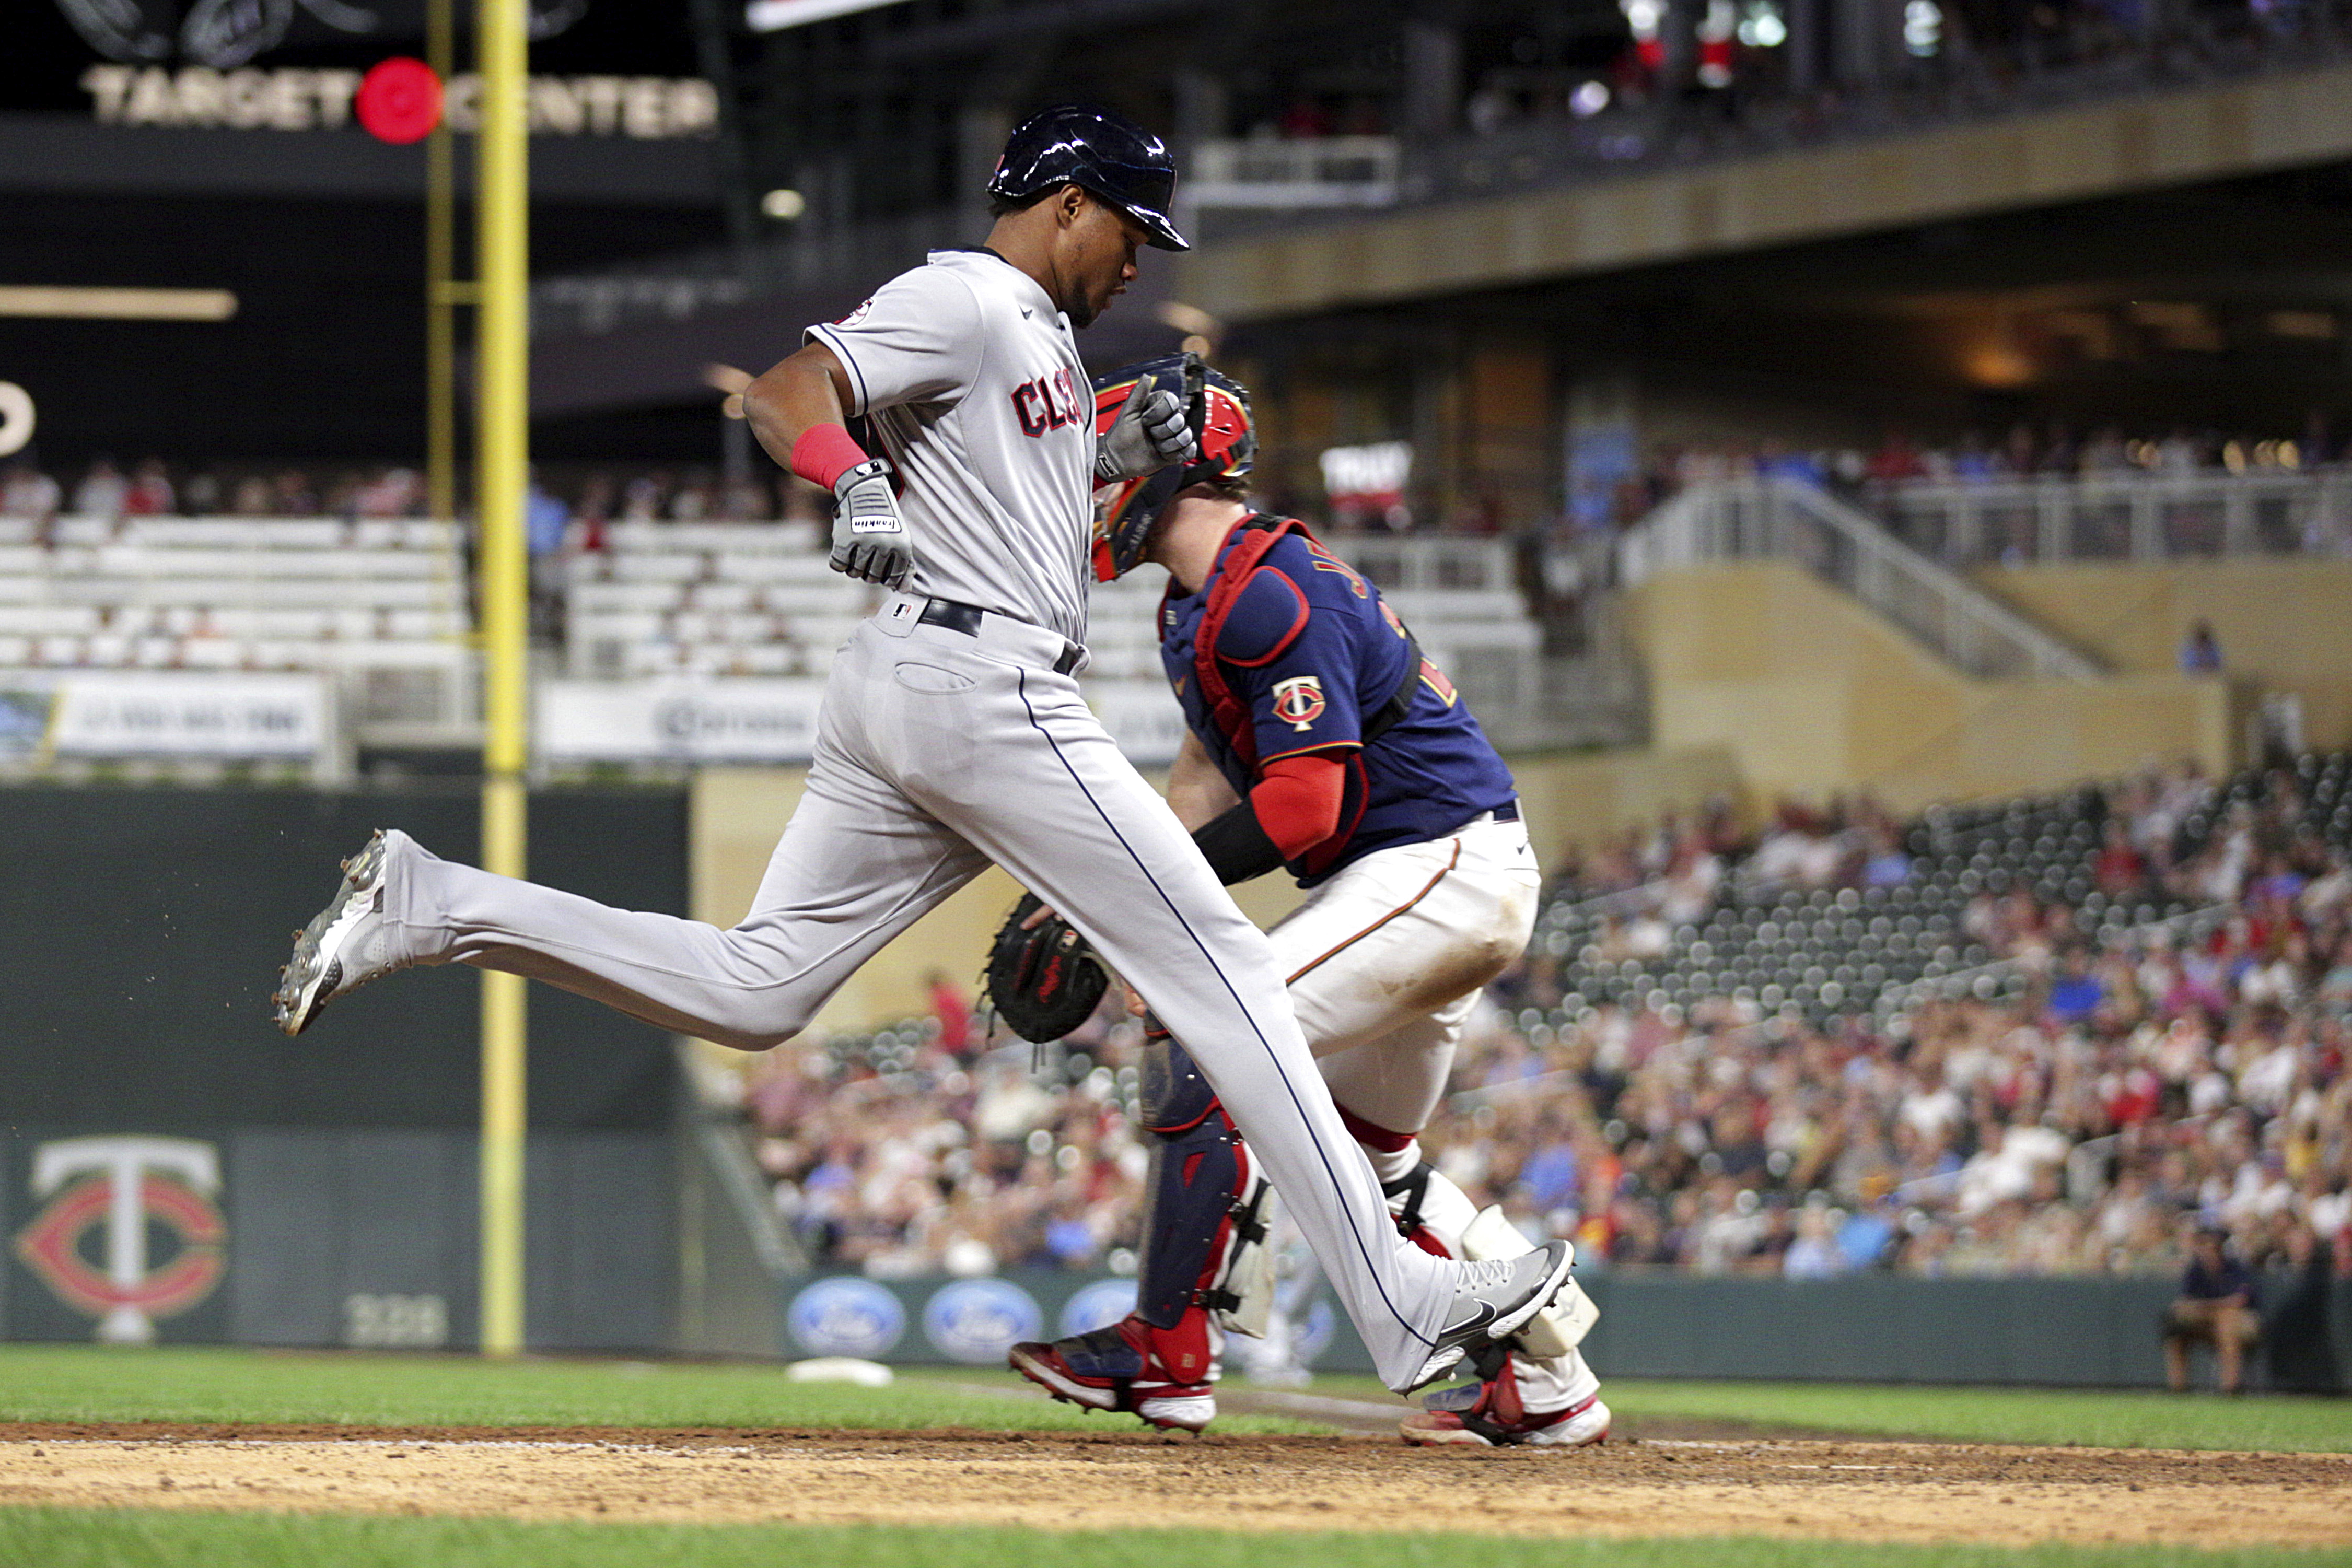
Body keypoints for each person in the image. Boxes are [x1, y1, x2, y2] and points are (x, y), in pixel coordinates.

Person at [268, 103, 1571, 1399]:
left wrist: (1117, 451)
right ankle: (1402, 1304)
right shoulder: (970, 297)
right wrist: (848, 473)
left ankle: (434, 903)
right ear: (1065, 201)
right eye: (1128, 228)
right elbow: (790, 392)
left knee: (757, 986)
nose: (1139, 261)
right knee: (1227, 974)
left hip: (917, 678)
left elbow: (1025, 501)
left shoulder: (1042, 337)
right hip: (979, 680)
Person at [1006, 358, 1608, 1447]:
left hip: (1436, 864)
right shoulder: (1204, 600)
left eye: (1109, 464)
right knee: (1376, 1167)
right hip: (1430, 875)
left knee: (1210, 1032)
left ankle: (1168, 1348)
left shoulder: (1268, 588)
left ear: (1173, 464)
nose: (1091, 488)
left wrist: (1139, 903)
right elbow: (1201, 784)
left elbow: (1300, 807)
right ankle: (1554, 1386)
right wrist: (1112, 898)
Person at [2161, 1224, 2260, 1393]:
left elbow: (2240, 1301)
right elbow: (2185, 1302)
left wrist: (2205, 1308)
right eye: (2204, 1245)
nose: (2209, 1250)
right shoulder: (2196, 1270)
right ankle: (2177, 1389)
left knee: (2227, 1323)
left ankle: (2230, 1389)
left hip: (2243, 1325)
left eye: (2214, 1246)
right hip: (2205, 1324)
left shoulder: (2235, 1267)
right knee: (2177, 1333)